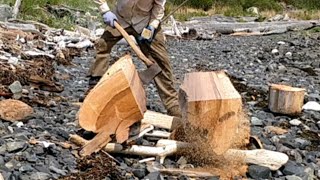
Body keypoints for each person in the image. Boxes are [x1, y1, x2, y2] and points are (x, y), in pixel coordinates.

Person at [86, 0, 181, 117]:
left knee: (160, 59)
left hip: (144, 21)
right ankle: (94, 87)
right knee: (102, 45)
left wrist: (152, 26)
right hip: (120, 19)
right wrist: (105, 10)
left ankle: (172, 104)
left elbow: (159, 6)